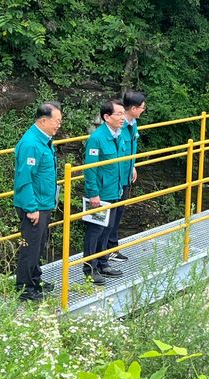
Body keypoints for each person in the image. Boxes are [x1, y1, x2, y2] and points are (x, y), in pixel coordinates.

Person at [13, 102, 62, 302]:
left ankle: (35, 279)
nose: (59, 125)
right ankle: (24, 288)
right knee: (30, 246)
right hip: (34, 206)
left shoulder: (44, 141)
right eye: (56, 121)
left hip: (43, 203)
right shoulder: (32, 144)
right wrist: (31, 208)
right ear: (43, 120)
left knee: (39, 244)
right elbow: (24, 179)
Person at [82, 100, 126, 285]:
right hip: (100, 193)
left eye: (123, 113)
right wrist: (93, 193)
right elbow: (90, 168)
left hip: (115, 189)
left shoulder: (119, 134)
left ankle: (103, 262)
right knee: (95, 230)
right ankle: (90, 268)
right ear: (107, 117)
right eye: (119, 114)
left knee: (108, 228)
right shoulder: (97, 138)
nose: (122, 117)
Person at [107, 91, 146, 262]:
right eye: (142, 108)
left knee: (119, 211)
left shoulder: (133, 123)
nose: (144, 110)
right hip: (116, 176)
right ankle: (107, 249)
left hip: (126, 174)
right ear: (133, 108)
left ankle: (112, 247)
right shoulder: (119, 126)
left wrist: (133, 165)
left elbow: (131, 147)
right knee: (111, 213)